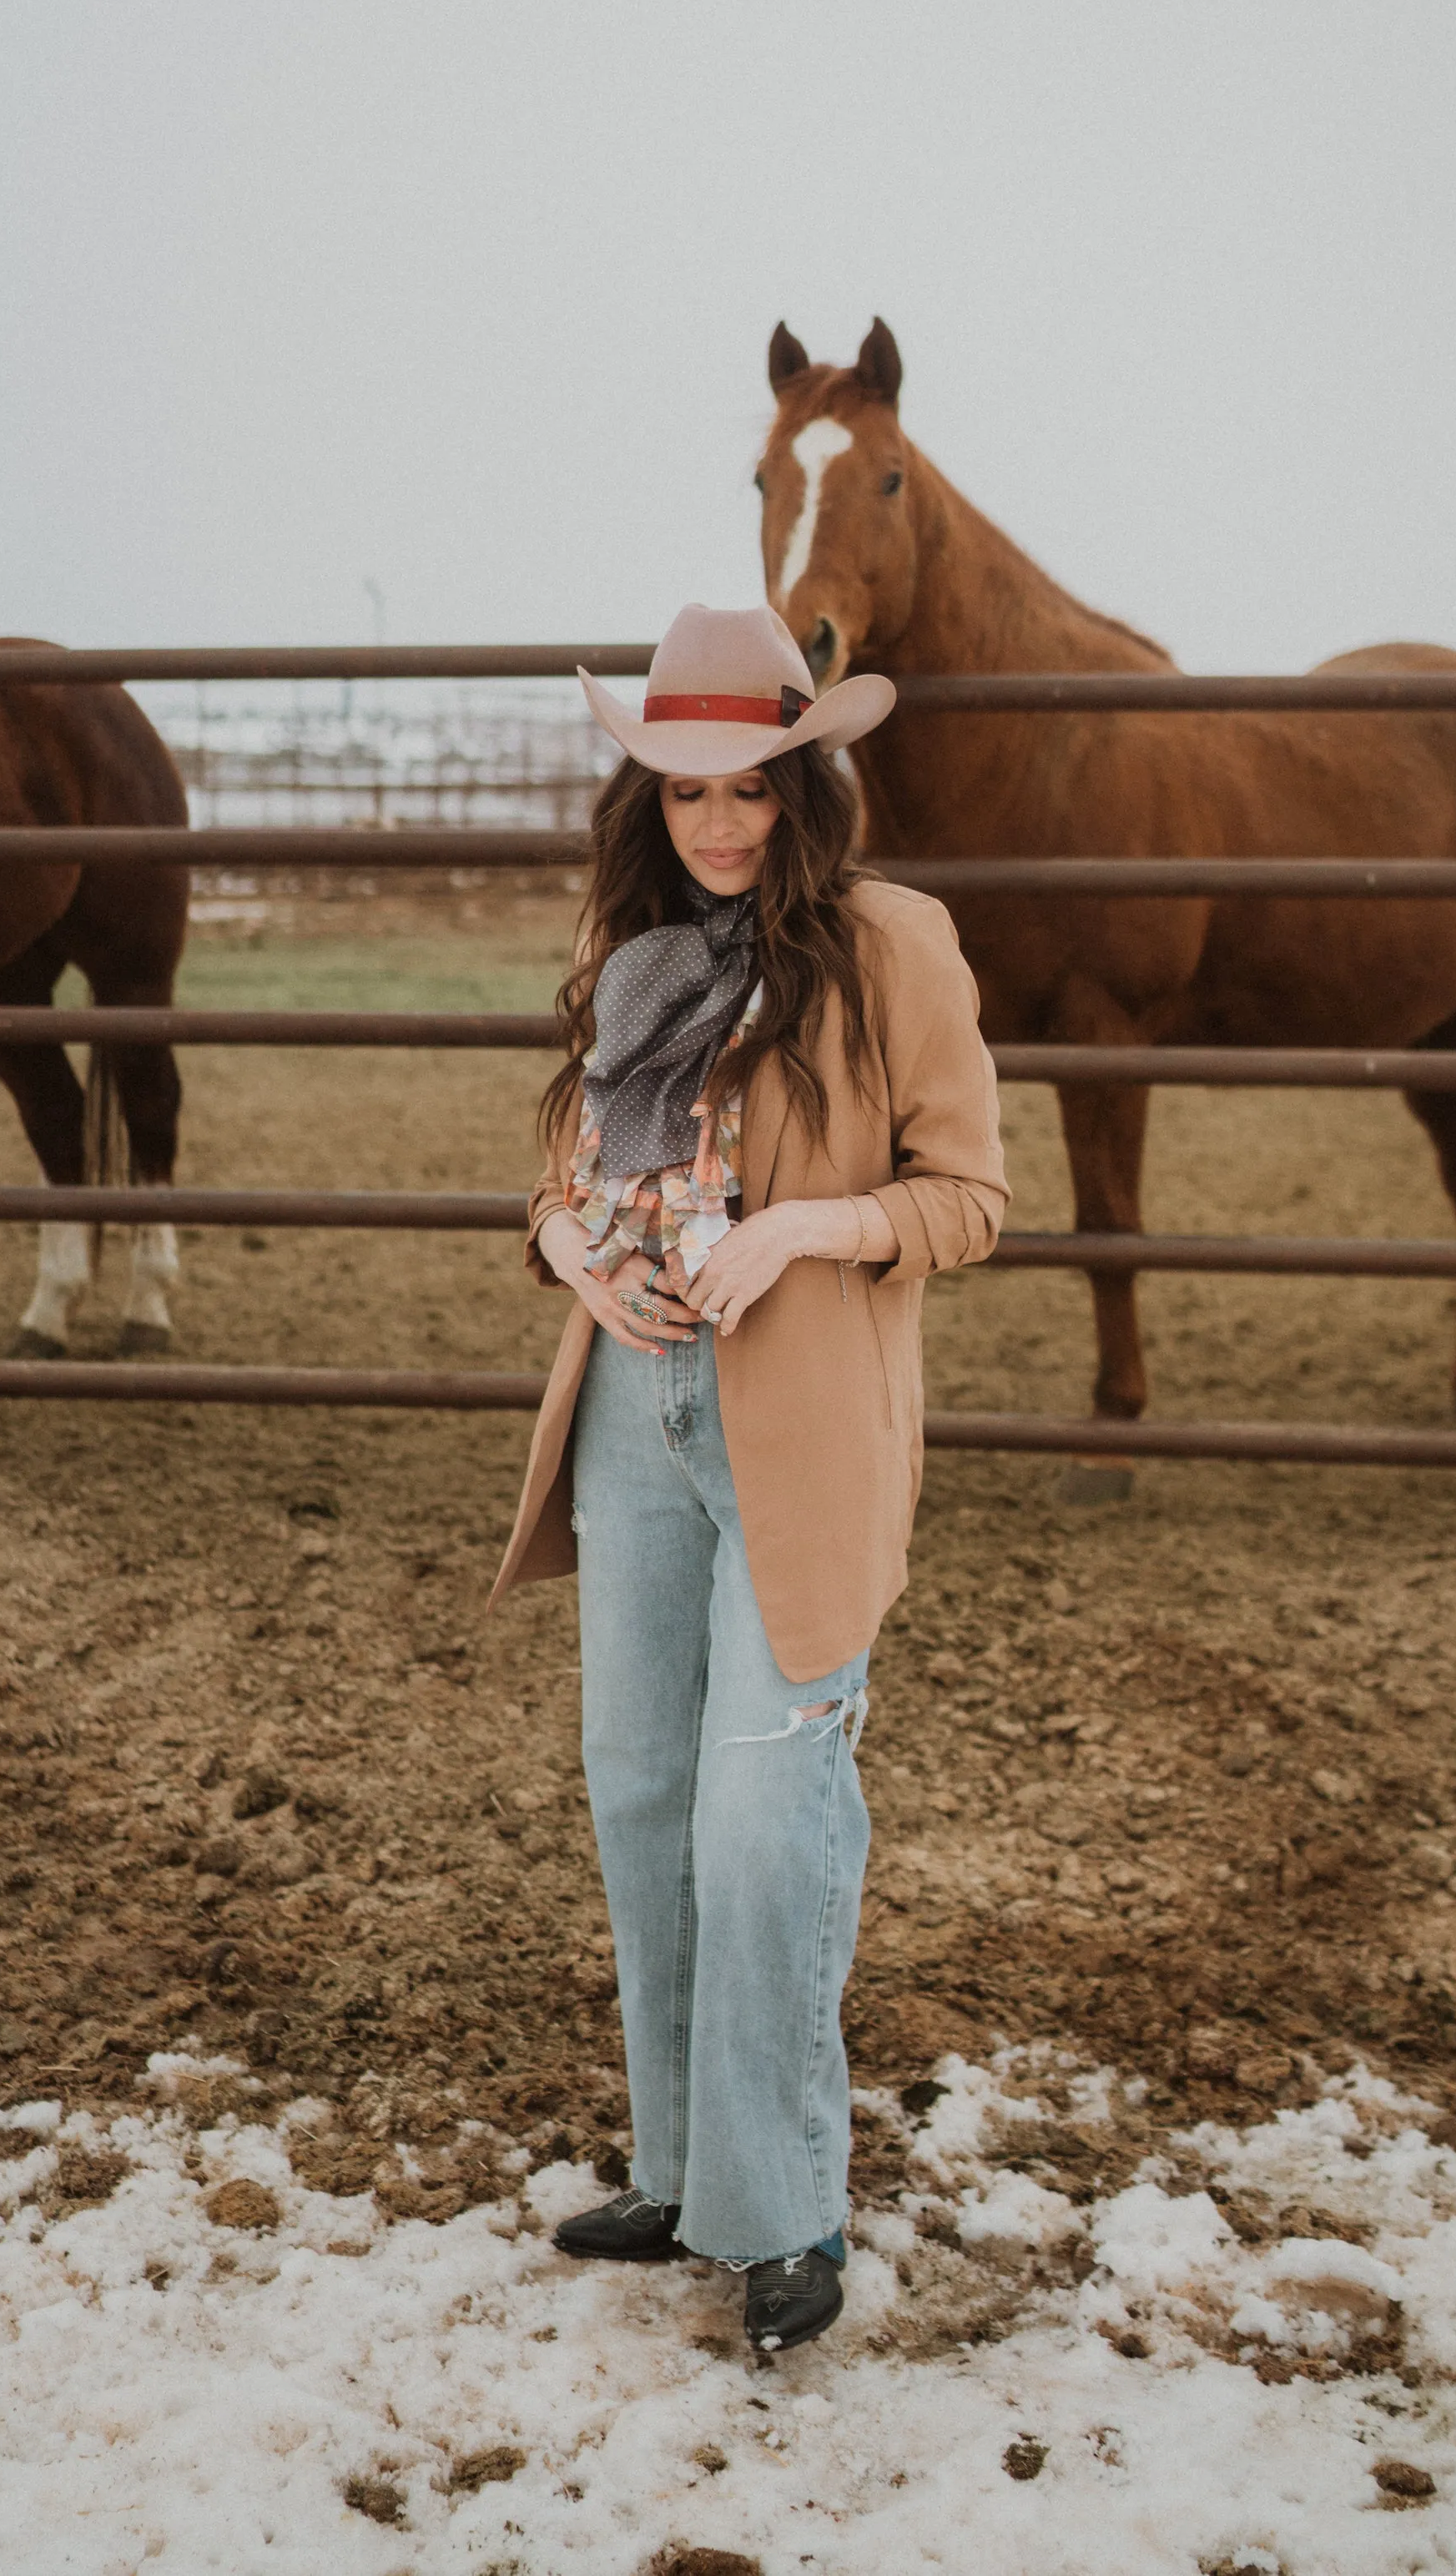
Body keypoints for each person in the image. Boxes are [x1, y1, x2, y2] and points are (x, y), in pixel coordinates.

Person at [487, 602, 1008, 2354]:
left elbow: (971, 1196)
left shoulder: (891, 946)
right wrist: (567, 1241)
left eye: (751, 788)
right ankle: (679, 2163)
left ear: (806, 780)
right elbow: (567, 1153)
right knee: (640, 1796)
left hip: (799, 1426)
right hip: (637, 1414)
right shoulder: (636, 945)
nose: (719, 821)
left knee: (761, 1821)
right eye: (685, 788)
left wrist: (804, 1226)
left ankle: (784, 2207)